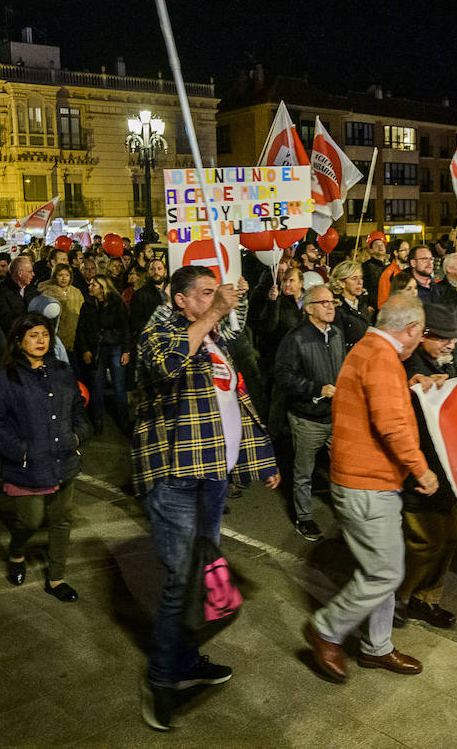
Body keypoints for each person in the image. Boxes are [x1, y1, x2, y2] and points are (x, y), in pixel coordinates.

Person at [134, 266, 277, 731]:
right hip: (177, 478)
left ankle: (186, 661)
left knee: (201, 573)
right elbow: (165, 365)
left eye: (219, 292)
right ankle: (160, 680)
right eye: (206, 293)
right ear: (180, 300)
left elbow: (235, 399)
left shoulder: (215, 340)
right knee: (181, 579)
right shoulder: (158, 330)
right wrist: (214, 312)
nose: (219, 300)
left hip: (213, 477)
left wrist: (263, 458)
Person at [303, 295, 437, 685]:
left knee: (384, 569)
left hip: (366, 481)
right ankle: (326, 629)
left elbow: (379, 403)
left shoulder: (369, 349)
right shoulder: (381, 358)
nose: (421, 339)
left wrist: (407, 385)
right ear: (410, 328)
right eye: (421, 331)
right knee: (384, 572)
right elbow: (391, 425)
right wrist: (421, 469)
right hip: (367, 484)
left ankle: (377, 647)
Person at [0, 313, 90, 599]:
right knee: (29, 521)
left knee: (61, 518)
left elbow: (78, 406)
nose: (41, 340)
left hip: (64, 457)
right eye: (33, 335)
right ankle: (17, 553)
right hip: (28, 464)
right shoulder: (4, 378)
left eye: (44, 334)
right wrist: (21, 451)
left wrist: (78, 435)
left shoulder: (63, 370)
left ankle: (57, 578)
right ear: (18, 341)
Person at [394, 303, 457, 628]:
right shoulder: (407, 367)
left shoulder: (444, 362)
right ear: (423, 336)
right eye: (444, 339)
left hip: (446, 469)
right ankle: (398, 597)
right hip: (418, 473)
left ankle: (427, 598)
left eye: (453, 338)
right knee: (424, 542)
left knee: (448, 538)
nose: (451, 344)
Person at [273, 284, 348, 542]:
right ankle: (304, 518)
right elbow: (283, 377)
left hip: (335, 416)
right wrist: (317, 388)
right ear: (309, 309)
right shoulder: (296, 338)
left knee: (342, 466)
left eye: (332, 302)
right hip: (307, 418)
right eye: (324, 302)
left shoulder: (337, 334)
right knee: (304, 472)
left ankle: (347, 513)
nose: (330, 306)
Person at [74, 275, 133, 435]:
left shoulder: (116, 303)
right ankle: (98, 420)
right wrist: (85, 349)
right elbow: (81, 330)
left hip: (115, 347)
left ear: (103, 287)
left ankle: (124, 421)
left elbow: (125, 327)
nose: (90, 287)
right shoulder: (88, 305)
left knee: (119, 387)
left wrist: (126, 350)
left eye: (94, 284)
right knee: (97, 387)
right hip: (95, 349)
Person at [39, 261, 85, 354]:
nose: (64, 278)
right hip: (56, 338)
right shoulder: (47, 293)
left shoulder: (76, 292)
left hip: (76, 338)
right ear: (55, 276)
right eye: (60, 275)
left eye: (67, 275)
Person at [0, 255, 39, 330]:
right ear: (20, 273)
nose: (33, 274)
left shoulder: (33, 290)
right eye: (30, 271)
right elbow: (5, 319)